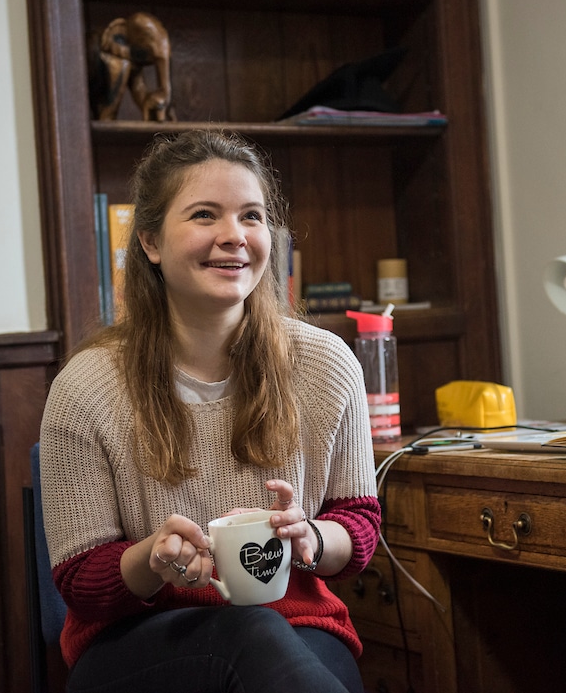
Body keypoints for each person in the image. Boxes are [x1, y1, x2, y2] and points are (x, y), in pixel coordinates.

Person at [39, 130, 381, 692]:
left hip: (297, 627)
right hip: (135, 642)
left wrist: (311, 538)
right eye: (204, 215)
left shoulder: (326, 365)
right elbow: (79, 578)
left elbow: (359, 522)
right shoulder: (86, 387)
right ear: (149, 240)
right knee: (249, 634)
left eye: (252, 216)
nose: (234, 237)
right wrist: (152, 558)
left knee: (273, 642)